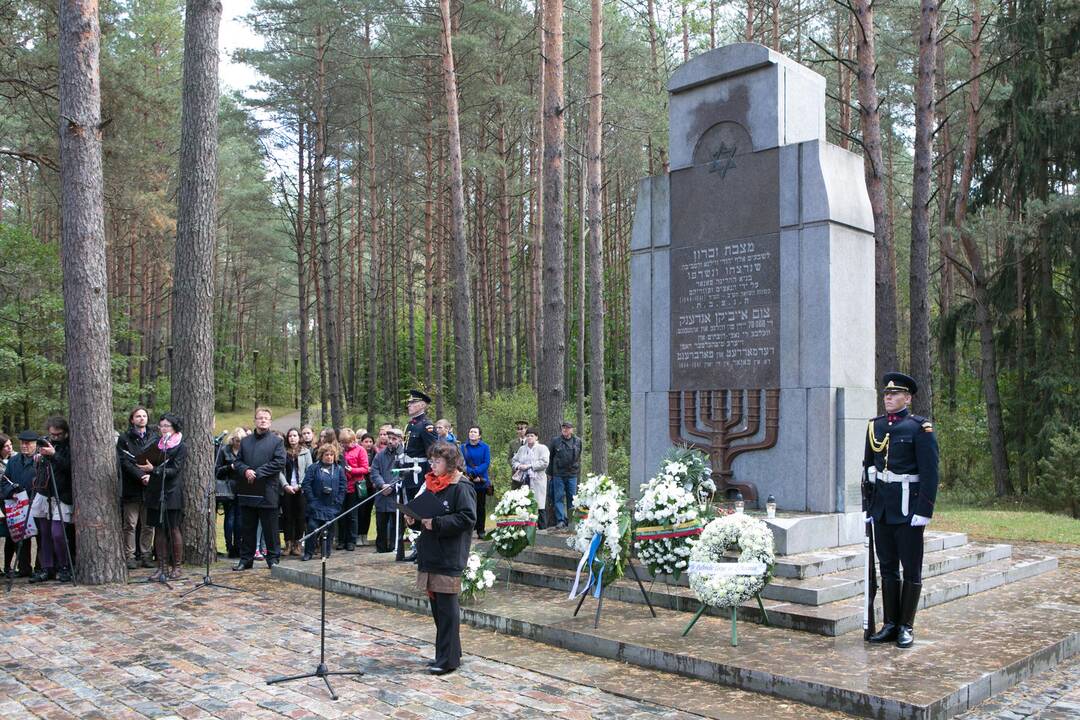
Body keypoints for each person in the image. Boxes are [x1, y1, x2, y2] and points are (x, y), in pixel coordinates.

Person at [863, 372, 939, 649]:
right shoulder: (875, 427)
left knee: (911, 570)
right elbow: (867, 469)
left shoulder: (920, 428)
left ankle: (906, 625)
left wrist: (924, 510)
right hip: (882, 509)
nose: (889, 398)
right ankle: (890, 623)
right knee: (887, 569)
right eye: (886, 394)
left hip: (909, 510)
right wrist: (867, 507)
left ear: (907, 398)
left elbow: (930, 473)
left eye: (894, 394)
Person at [404, 442, 476, 675]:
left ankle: (448, 660)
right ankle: (446, 653)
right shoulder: (431, 484)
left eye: (437, 460)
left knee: (447, 610)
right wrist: (413, 518)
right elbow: (425, 511)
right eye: (431, 460)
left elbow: (467, 518)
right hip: (431, 552)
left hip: (449, 554)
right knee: (438, 609)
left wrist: (436, 523)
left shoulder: (461, 486)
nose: (432, 464)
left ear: (450, 462)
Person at [232, 407, 287, 570]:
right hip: (248, 490)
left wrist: (257, 473)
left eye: (266, 418)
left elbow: (279, 462)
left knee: (270, 528)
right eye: (260, 418)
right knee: (247, 527)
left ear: (270, 421)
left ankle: (273, 559)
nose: (263, 420)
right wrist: (246, 471)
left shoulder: (277, 442)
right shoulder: (246, 441)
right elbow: (238, 462)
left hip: (267, 491)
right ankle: (246, 559)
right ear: (255, 420)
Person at [141, 413, 187, 581]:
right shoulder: (157, 444)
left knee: (173, 528)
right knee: (158, 529)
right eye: (161, 426)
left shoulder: (180, 446)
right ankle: (161, 567)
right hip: (155, 490)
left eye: (167, 426)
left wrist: (155, 470)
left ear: (174, 427)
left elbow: (175, 470)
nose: (163, 429)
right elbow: (148, 461)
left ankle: (177, 567)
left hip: (172, 491)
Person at [29, 417, 74, 583]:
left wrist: (54, 455)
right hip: (44, 492)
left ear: (65, 433)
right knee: (44, 533)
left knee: (58, 534)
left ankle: (65, 566)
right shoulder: (45, 443)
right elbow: (40, 466)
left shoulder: (71, 446)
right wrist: (38, 458)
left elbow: (70, 466)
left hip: (62, 493)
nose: (54, 438)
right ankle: (47, 567)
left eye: (58, 434)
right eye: (52, 434)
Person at [117, 406, 159, 569]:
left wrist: (151, 474)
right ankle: (130, 556)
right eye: (138, 416)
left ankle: (146, 554)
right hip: (132, 487)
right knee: (130, 524)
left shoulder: (154, 437)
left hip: (150, 487)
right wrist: (141, 476)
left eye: (144, 416)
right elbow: (125, 462)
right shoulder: (124, 438)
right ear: (132, 419)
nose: (141, 418)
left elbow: (158, 459)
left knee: (148, 524)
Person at [400, 389, 439, 561]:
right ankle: (416, 547)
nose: (409, 405)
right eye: (408, 403)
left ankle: (423, 549)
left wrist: (431, 476)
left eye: (413, 402)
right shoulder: (410, 425)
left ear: (422, 405)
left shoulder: (427, 425)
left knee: (421, 510)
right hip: (408, 472)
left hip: (420, 472)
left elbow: (433, 452)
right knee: (411, 511)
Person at [301, 443, 347, 560]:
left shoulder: (338, 469)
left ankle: (325, 552)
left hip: (332, 505)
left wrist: (338, 502)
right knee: (312, 527)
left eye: (332, 455)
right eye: (327, 454)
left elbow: (343, 487)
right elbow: (306, 485)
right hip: (316, 505)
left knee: (329, 529)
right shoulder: (314, 468)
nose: (329, 457)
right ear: (321, 455)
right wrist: (312, 500)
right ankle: (308, 552)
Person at [2, 430, 37, 578]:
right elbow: (4, 481)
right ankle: (24, 568)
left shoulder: (40, 460)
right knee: (21, 537)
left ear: (35, 444)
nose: (24, 446)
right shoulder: (13, 461)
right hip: (19, 504)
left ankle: (42, 568)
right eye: (22, 443)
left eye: (27, 443)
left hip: (36, 502)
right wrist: (12, 492)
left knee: (40, 536)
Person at [370, 427, 404, 553]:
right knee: (381, 524)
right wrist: (382, 484)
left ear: (400, 440)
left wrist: (392, 486)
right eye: (389, 438)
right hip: (381, 494)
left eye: (394, 439)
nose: (390, 441)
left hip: (396, 495)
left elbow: (403, 473)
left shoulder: (403, 456)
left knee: (396, 525)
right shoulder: (380, 455)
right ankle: (381, 549)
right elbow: (374, 471)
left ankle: (395, 548)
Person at [215, 428, 246, 558]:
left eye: (241, 441)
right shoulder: (224, 450)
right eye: (237, 440)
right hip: (228, 487)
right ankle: (230, 546)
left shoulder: (246, 451)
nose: (239, 443)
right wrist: (230, 467)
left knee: (240, 518)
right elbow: (217, 470)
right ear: (232, 440)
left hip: (242, 487)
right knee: (229, 518)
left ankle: (238, 546)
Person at [337, 428, 370, 550]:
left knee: (352, 514)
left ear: (353, 440)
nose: (345, 445)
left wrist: (352, 470)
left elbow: (365, 468)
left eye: (347, 442)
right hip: (341, 486)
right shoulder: (340, 451)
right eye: (343, 442)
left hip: (355, 486)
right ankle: (341, 540)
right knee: (341, 515)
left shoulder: (360, 450)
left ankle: (351, 540)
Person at [281, 428, 312, 557]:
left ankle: (297, 544)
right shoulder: (282, 452)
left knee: (300, 517)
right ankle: (288, 544)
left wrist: (300, 485)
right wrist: (285, 485)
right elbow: (279, 470)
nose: (292, 438)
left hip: (301, 489)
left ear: (299, 437)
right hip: (287, 488)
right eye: (290, 436)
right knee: (287, 517)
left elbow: (309, 470)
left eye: (295, 435)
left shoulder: (306, 452)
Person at [512, 428, 549, 528]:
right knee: (525, 502)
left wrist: (529, 466)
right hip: (524, 479)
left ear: (536, 437)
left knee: (539, 503)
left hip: (538, 479)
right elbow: (514, 460)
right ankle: (527, 527)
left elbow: (544, 463)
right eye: (528, 436)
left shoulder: (542, 448)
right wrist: (518, 466)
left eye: (532, 436)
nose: (529, 438)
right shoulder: (522, 449)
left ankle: (542, 528)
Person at [548, 421, 582, 529]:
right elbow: (551, 457)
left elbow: (579, 455)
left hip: (572, 474)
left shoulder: (577, 441)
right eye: (563, 428)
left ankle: (572, 521)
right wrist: (550, 473)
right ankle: (561, 520)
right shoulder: (555, 441)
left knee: (572, 498)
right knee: (558, 497)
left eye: (567, 428)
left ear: (572, 430)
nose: (565, 430)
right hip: (558, 474)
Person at [461, 426, 491, 538]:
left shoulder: (485, 447)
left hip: (481, 481)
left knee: (480, 506)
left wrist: (476, 473)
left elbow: (486, 463)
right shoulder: (463, 447)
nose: (472, 433)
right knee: (467, 506)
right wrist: (470, 474)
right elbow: (461, 463)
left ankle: (481, 530)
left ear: (479, 435)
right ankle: (468, 529)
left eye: (475, 432)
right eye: (470, 431)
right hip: (468, 481)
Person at [357, 433, 377, 545]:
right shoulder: (359, 452)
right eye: (366, 442)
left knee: (368, 511)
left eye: (370, 442)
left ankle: (365, 534)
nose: (368, 444)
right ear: (362, 442)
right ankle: (358, 534)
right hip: (361, 484)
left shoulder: (376, 454)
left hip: (371, 486)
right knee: (360, 511)